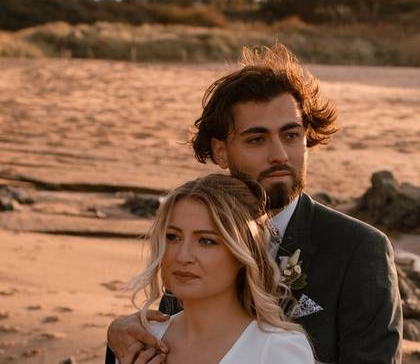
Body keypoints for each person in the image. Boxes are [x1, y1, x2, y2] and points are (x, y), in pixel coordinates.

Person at [107, 45, 402, 364]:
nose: (279, 154)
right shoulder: (190, 237)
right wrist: (118, 334)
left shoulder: (358, 249)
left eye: (290, 135)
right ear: (221, 152)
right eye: (256, 140)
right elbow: (177, 335)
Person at [127, 173, 314, 363]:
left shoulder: (276, 349)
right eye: (173, 237)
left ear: (243, 253)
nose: (182, 256)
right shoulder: (141, 341)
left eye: (206, 241)